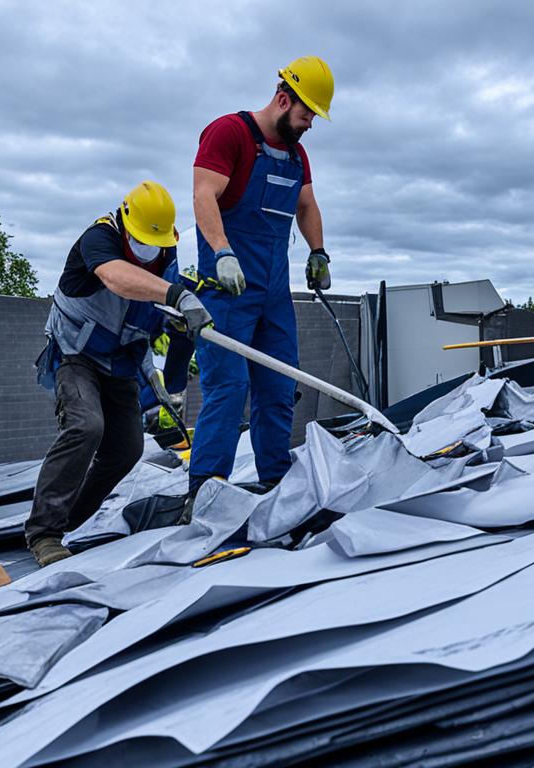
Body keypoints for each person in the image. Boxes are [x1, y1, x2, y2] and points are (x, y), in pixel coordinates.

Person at [27, 181, 211, 566]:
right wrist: (174, 295)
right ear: (125, 222)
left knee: (127, 449)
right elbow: (117, 279)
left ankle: (68, 520)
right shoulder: (98, 239)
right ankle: (44, 532)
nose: (147, 251)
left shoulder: (164, 251)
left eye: (154, 243)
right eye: (140, 240)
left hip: (122, 362)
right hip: (76, 354)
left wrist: (176, 319)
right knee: (86, 426)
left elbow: (149, 312)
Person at [188, 56, 335, 499]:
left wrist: (318, 252)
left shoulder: (296, 154)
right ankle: (207, 490)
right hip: (228, 291)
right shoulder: (229, 133)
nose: (310, 122)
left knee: (278, 386)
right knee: (228, 390)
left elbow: (306, 205)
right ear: (283, 98)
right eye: (306, 112)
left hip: (273, 293)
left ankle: (275, 481)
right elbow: (203, 194)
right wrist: (222, 252)